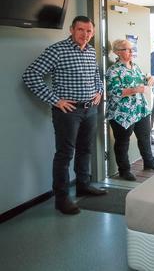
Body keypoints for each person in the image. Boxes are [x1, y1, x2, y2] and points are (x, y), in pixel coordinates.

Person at [23, 16, 107, 215]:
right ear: (72, 29)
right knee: (65, 154)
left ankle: (83, 185)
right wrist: (55, 100)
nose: (85, 35)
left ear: (93, 33)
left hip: (90, 109)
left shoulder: (91, 51)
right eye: (80, 30)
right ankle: (61, 199)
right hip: (68, 112)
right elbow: (30, 75)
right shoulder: (57, 50)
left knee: (85, 149)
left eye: (88, 31)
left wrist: (99, 91)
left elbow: (96, 75)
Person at [106, 39, 154, 181]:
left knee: (144, 137)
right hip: (122, 112)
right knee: (122, 141)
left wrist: (150, 79)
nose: (131, 52)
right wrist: (134, 89)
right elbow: (113, 91)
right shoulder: (113, 70)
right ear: (117, 52)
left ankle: (149, 162)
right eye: (127, 49)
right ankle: (124, 170)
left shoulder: (135, 66)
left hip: (140, 109)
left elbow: (143, 80)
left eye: (132, 49)